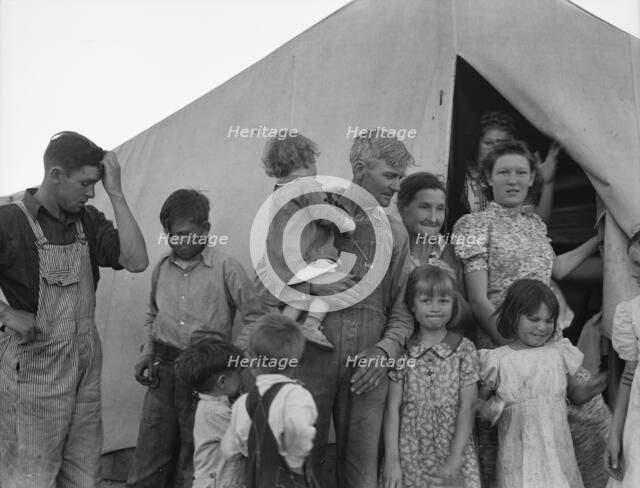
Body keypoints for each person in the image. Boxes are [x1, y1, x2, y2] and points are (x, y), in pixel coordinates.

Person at [261, 132, 415, 488]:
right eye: (389, 176)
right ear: (360, 169)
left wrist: (384, 351)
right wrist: (313, 285)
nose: (396, 187)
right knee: (297, 466)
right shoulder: (311, 210)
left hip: (368, 368)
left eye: (400, 177)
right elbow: (271, 282)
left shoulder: (395, 231)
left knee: (362, 475)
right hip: (308, 355)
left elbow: (403, 310)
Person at [453, 140, 609, 488]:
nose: (513, 179)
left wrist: (595, 241)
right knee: (512, 442)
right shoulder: (472, 225)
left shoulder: (534, 224)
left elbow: (555, 268)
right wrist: (516, 351)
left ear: (531, 178)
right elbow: (478, 299)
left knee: (595, 422)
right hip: (503, 344)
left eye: (521, 172)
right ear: (487, 179)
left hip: (547, 342)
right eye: (504, 172)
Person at [0, 131, 148, 488]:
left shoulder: (89, 220)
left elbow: (136, 260)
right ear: (55, 175)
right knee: (31, 476)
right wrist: (5, 314)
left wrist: (117, 193)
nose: (91, 192)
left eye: (97, 185)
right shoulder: (8, 220)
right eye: (85, 183)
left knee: (84, 474)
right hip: (33, 372)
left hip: (84, 367)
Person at [127, 189, 264, 488]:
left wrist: (227, 361)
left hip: (206, 379)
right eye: (171, 235)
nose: (178, 241)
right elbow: (152, 315)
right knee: (151, 455)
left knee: (197, 458)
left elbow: (256, 316)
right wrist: (146, 353)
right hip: (163, 371)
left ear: (206, 230)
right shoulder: (161, 268)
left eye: (186, 233)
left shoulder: (226, 267)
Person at [478, 279, 606, 488]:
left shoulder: (558, 353)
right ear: (512, 317)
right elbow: (481, 403)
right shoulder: (498, 360)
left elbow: (575, 394)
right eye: (534, 319)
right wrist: (488, 410)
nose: (542, 327)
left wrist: (590, 390)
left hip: (557, 450)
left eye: (549, 320)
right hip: (518, 453)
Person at [381, 265, 481, 488]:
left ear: (454, 304)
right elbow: (392, 408)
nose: (435, 308)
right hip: (409, 451)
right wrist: (392, 460)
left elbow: (468, 406)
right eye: (426, 300)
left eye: (444, 301)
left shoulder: (464, 349)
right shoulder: (403, 350)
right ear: (411, 305)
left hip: (452, 447)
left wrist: (456, 457)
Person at [258, 134, 356, 350]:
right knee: (333, 279)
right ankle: (312, 324)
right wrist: (346, 223)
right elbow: (322, 214)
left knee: (298, 297)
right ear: (308, 161)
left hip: (282, 260)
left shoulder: (279, 191)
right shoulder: (307, 185)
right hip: (308, 255)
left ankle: (282, 330)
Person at [222, 314, 319, 488]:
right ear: (295, 362)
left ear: (252, 361)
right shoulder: (297, 396)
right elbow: (299, 429)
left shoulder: (242, 403)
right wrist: (295, 460)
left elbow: (229, 450)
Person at [459, 111, 560, 223]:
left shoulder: (516, 177)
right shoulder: (461, 176)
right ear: (477, 145)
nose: (494, 149)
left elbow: (536, 225)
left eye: (501, 143)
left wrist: (548, 183)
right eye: (488, 143)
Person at [174, 338, 246, 488]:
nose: (242, 379)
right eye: (239, 373)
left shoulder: (212, 406)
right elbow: (246, 440)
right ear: (222, 382)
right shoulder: (216, 413)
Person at [604, 228, 640, 487]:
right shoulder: (631, 312)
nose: (635, 273)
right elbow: (628, 376)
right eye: (633, 264)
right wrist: (615, 433)